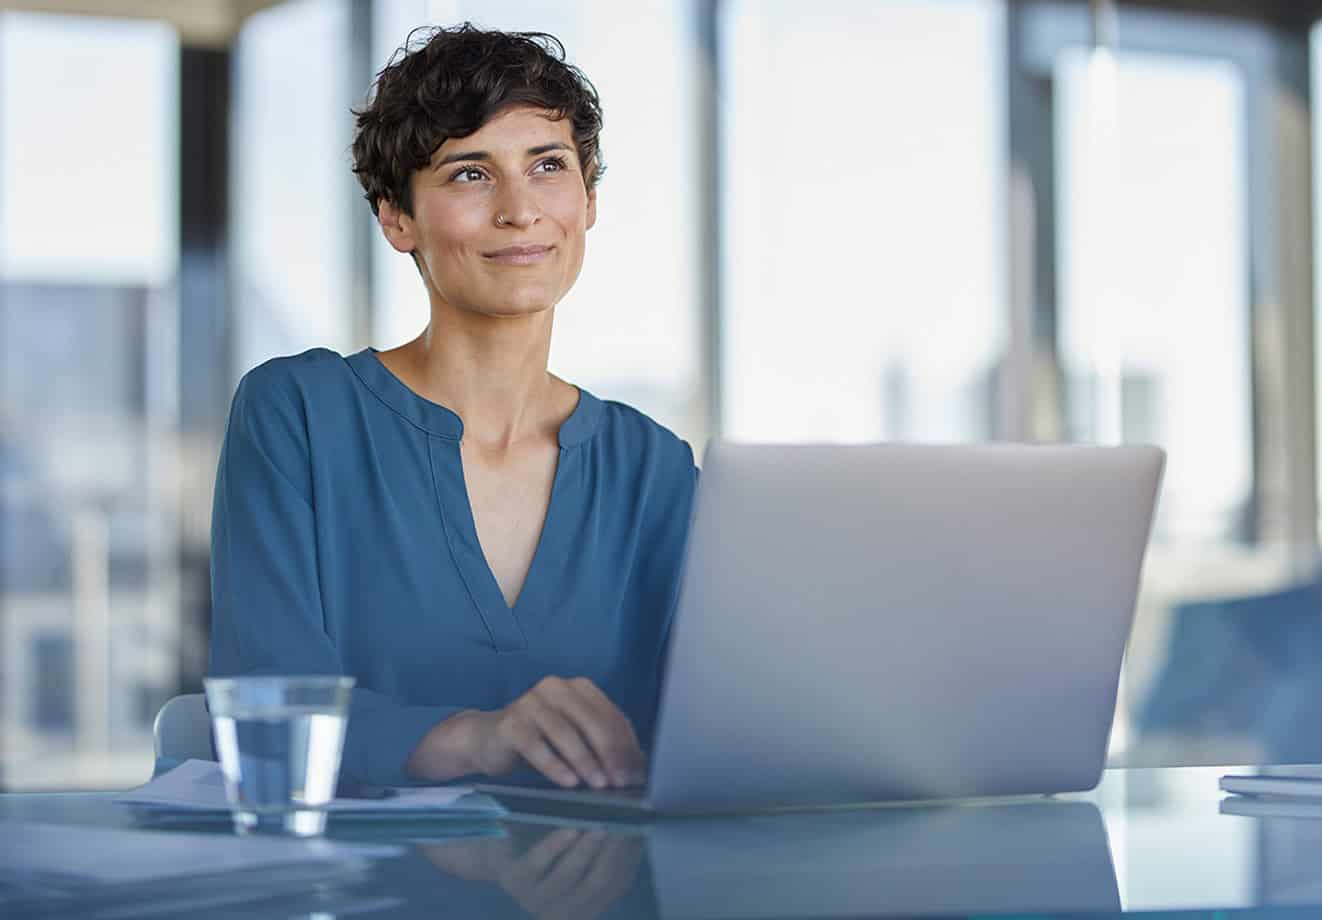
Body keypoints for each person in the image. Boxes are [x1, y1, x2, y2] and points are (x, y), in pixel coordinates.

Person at [208, 23, 698, 789]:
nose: (520, 210)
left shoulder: (654, 468)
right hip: (353, 898)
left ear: (589, 197)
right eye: (470, 175)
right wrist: (477, 739)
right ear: (396, 218)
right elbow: (265, 712)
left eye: (548, 165)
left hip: (605, 895)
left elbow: (709, 727)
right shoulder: (297, 415)